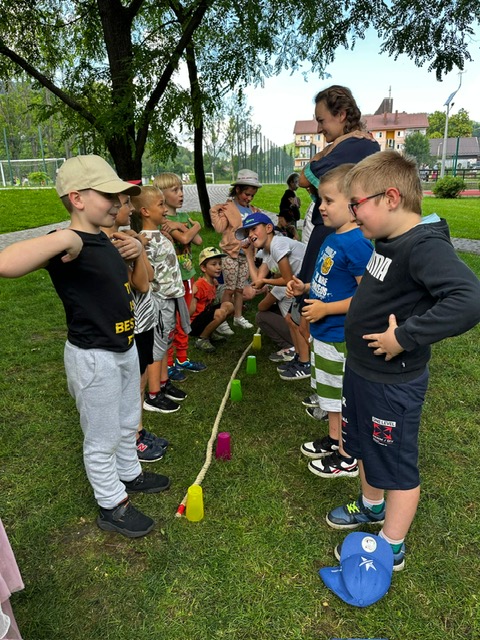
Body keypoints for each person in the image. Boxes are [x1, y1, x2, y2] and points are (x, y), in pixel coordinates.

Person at [324, 150, 480, 571]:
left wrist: (404, 337)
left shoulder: (423, 247)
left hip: (392, 384)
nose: (354, 215)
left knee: (395, 460)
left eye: (357, 204)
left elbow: (469, 299)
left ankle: (392, 544)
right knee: (365, 447)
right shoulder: (387, 240)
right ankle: (371, 506)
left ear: (390, 197)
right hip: (362, 373)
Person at [0, 155, 171, 538]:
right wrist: (63, 237)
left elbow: (137, 284)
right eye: (107, 195)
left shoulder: (104, 239)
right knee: (102, 435)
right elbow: (6, 263)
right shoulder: (68, 243)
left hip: (123, 347)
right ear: (77, 199)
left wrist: (133, 251)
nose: (116, 203)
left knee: (128, 421)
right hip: (94, 357)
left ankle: (129, 473)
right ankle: (112, 503)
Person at [282, 84, 380, 384]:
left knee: (324, 294)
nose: (320, 128)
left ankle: (313, 363)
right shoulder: (356, 143)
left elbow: (304, 176)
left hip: (330, 231)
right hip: (331, 232)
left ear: (341, 114)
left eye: (322, 120)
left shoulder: (355, 146)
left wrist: (326, 153)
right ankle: (315, 364)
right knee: (318, 285)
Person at [287, 164, 373, 478]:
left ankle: (347, 457)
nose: (320, 207)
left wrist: (326, 310)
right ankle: (335, 440)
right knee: (329, 394)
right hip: (324, 334)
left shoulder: (358, 244)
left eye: (328, 201)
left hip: (339, 335)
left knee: (339, 396)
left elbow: (367, 298)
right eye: (320, 200)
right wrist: (307, 288)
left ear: (354, 206)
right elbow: (330, 279)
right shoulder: (333, 237)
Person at [100, 194, 168, 463]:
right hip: (130, 324)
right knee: (129, 385)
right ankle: (131, 440)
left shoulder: (126, 238)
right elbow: (141, 284)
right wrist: (138, 249)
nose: (129, 208)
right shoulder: (113, 245)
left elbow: (149, 276)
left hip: (144, 320)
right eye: (125, 203)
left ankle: (136, 431)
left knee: (138, 381)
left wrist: (138, 248)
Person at [130, 186, 190, 414]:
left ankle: (163, 384)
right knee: (156, 349)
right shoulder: (144, 241)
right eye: (161, 205)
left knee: (164, 343)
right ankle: (153, 395)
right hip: (158, 301)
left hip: (169, 300)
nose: (165, 209)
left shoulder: (158, 236)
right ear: (145, 211)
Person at [235, 212, 307, 379]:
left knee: (297, 323)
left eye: (254, 229)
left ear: (268, 228)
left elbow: (288, 279)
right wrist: (248, 254)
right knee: (290, 319)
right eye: (248, 234)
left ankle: (305, 362)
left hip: (306, 283)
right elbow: (257, 281)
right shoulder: (267, 252)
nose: (251, 236)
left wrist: (267, 281)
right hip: (298, 286)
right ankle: (298, 357)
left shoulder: (277, 244)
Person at [153, 172, 206, 380]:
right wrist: (193, 227)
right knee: (170, 322)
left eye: (181, 189)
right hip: (171, 280)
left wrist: (190, 226)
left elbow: (199, 241)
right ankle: (168, 363)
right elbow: (186, 238)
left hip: (187, 276)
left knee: (184, 319)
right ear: (162, 196)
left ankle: (182, 358)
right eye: (175, 190)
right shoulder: (163, 220)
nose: (181, 194)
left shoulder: (182, 218)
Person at [210, 169, 263, 333]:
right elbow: (219, 228)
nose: (249, 198)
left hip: (246, 256)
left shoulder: (253, 210)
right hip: (231, 256)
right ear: (238, 189)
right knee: (230, 289)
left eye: (252, 195)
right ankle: (223, 318)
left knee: (240, 289)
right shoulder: (228, 208)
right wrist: (215, 211)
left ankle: (238, 316)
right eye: (246, 194)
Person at [189, 247, 234, 352]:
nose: (218, 267)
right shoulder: (199, 285)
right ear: (204, 268)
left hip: (204, 315)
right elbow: (191, 309)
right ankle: (202, 339)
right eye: (214, 264)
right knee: (219, 313)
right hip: (193, 324)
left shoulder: (213, 282)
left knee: (229, 305)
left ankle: (209, 332)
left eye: (219, 263)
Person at [277, 172, 301, 239]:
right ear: (291, 182)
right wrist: (296, 206)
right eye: (296, 182)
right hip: (289, 220)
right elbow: (295, 210)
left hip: (288, 219)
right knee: (291, 235)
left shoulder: (289, 194)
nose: (298, 185)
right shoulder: (290, 195)